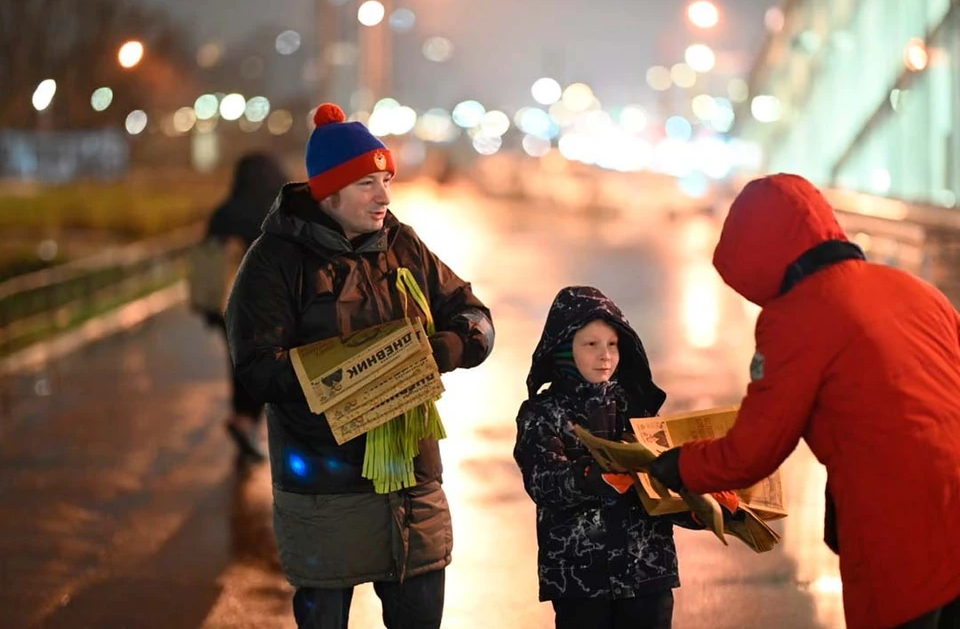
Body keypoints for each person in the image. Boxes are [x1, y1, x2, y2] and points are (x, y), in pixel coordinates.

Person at [224, 103, 495, 629]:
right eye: (369, 182)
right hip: (325, 491)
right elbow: (257, 368)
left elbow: (474, 314)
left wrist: (451, 348)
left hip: (413, 487)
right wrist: (355, 377)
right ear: (331, 190)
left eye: (387, 180)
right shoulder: (274, 261)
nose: (385, 196)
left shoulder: (403, 245)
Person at [648, 174, 960, 629]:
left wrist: (678, 466)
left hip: (898, 533)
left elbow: (754, 450)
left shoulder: (796, 317)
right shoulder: (915, 289)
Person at [514, 285, 710, 629]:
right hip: (580, 583)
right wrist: (587, 476)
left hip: (648, 574)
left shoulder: (638, 406)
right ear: (563, 350)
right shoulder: (542, 414)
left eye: (613, 344)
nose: (604, 354)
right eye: (591, 344)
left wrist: (696, 507)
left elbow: (660, 484)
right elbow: (542, 483)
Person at [203, 152, 289, 464]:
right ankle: (265, 429)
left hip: (232, 308)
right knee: (280, 369)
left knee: (240, 367)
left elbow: (207, 261)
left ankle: (242, 419)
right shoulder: (281, 208)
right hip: (277, 307)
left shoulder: (224, 213)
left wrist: (210, 309)